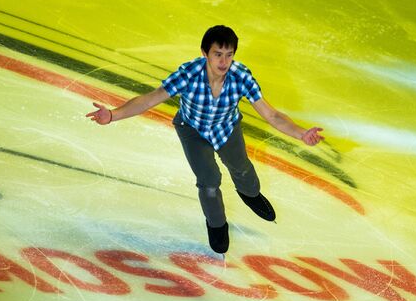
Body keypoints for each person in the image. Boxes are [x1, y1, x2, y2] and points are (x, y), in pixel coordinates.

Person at [86, 25, 324, 254]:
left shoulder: (241, 77)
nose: (223, 62)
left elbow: (271, 114)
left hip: (226, 128)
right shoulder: (188, 74)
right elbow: (151, 99)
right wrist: (113, 115)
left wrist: (301, 133)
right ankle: (217, 225)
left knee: (243, 171)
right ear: (205, 53)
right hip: (192, 131)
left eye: (229, 55)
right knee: (209, 180)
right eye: (217, 54)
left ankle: (250, 194)